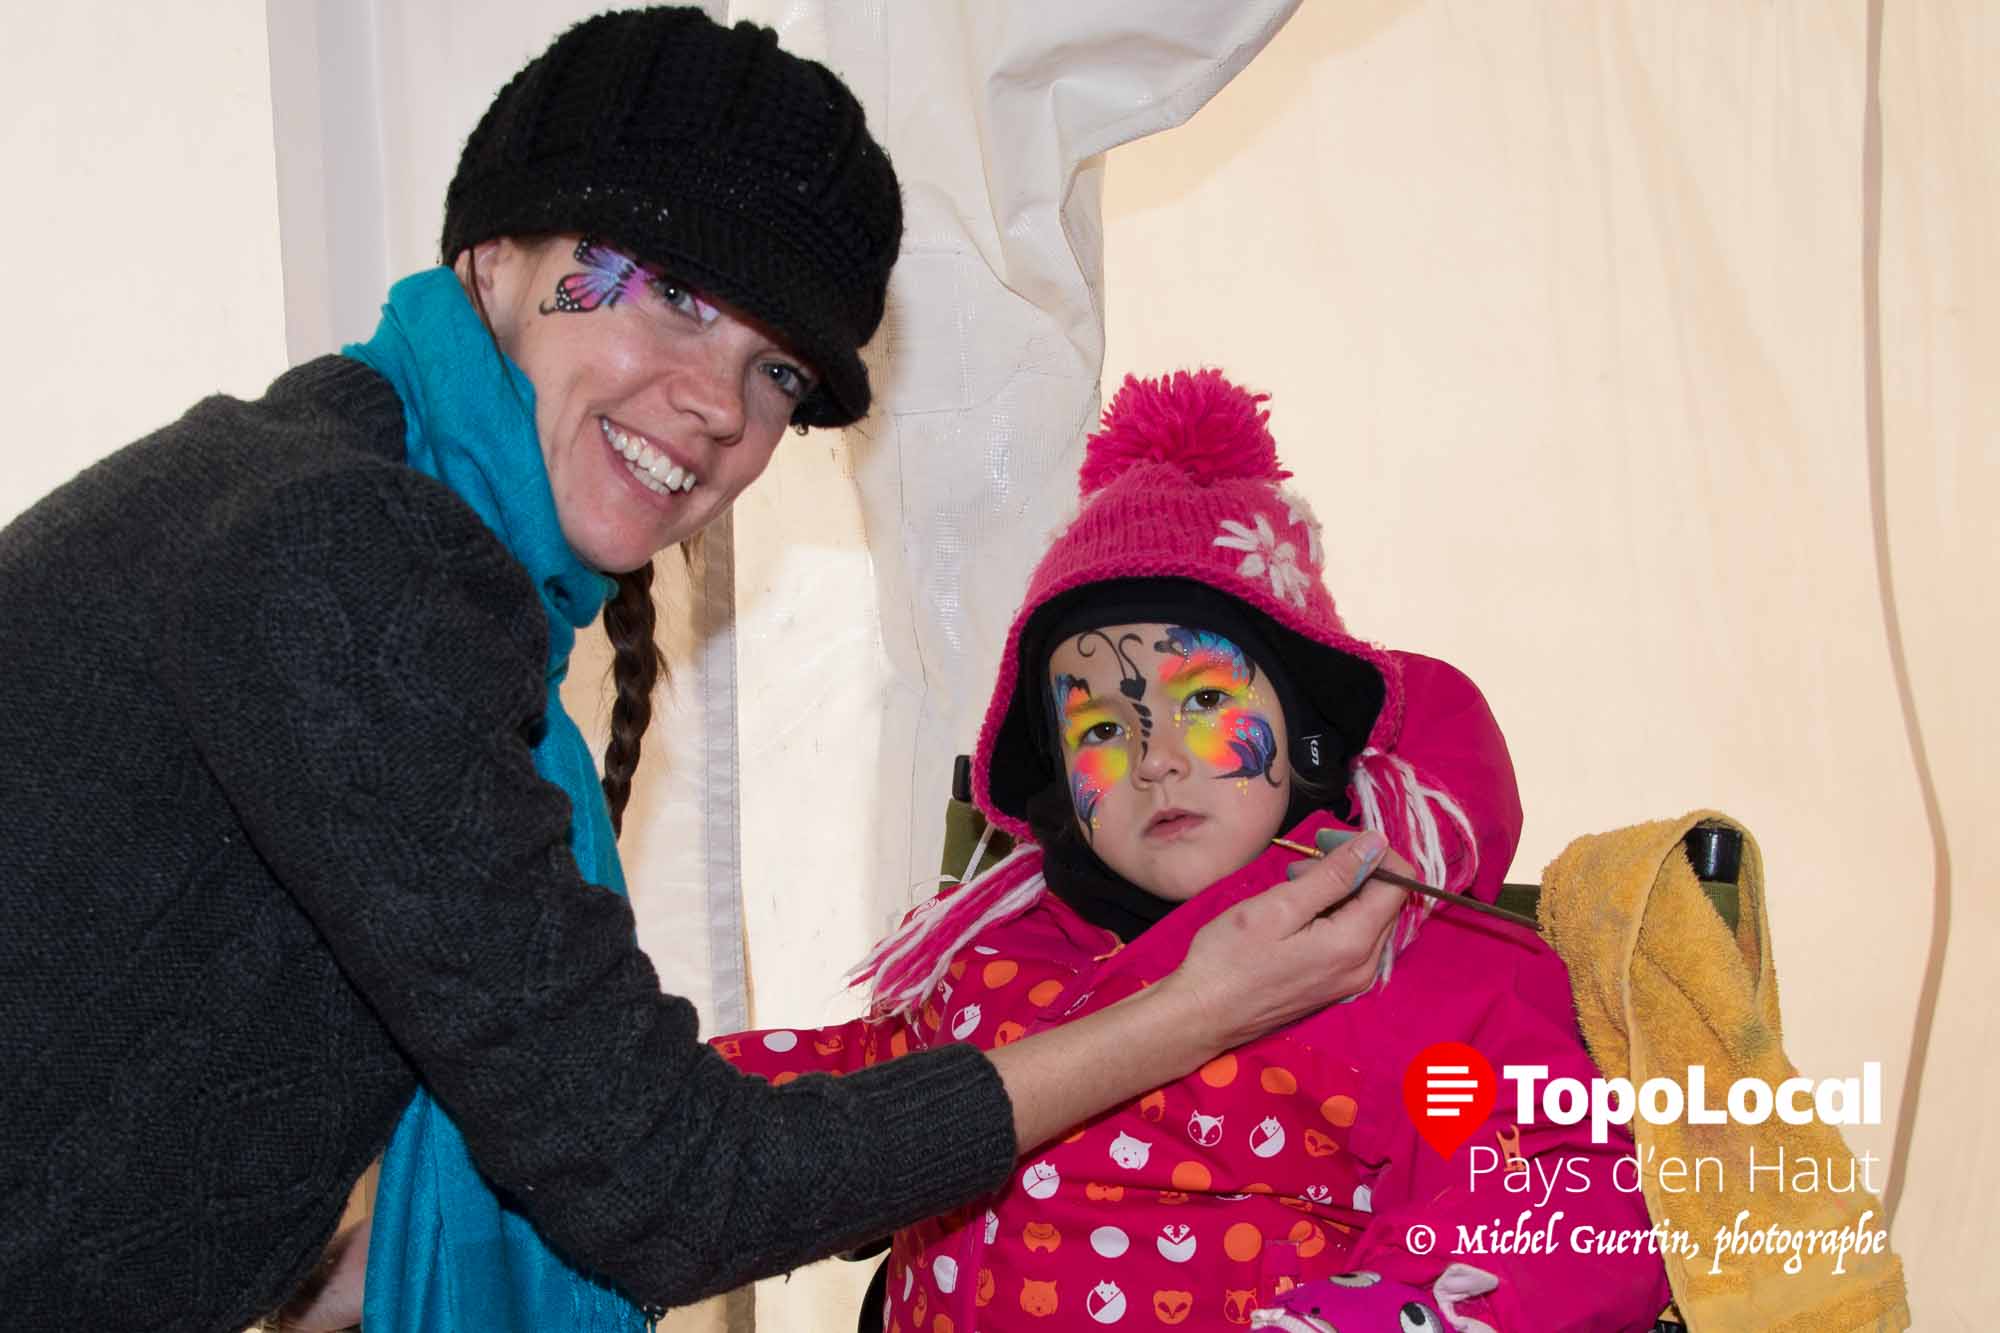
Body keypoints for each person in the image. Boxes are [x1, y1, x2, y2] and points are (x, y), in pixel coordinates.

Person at [0, 11, 1407, 1332]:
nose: (718, 406)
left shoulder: (328, 502)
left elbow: (136, 1078)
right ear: (496, 255)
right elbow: (670, 1187)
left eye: (780, 373)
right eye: (667, 293)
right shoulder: (344, 553)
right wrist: (1189, 1012)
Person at [716, 369, 1675, 1330]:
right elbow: (865, 1079)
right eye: (1099, 730)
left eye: (1205, 702)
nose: (1154, 762)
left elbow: (1570, 1190)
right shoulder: (995, 949)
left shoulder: (1383, 958)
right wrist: (668, 1100)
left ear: (1306, 733)